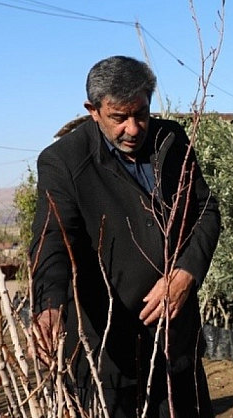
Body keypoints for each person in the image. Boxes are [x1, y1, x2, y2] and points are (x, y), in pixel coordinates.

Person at [29, 56, 221, 417]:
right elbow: (53, 239)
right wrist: (48, 305)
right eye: (119, 117)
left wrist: (186, 273)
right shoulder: (63, 161)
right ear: (93, 111)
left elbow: (205, 211)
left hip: (176, 341)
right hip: (110, 354)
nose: (133, 129)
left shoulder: (171, 139)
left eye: (142, 114)